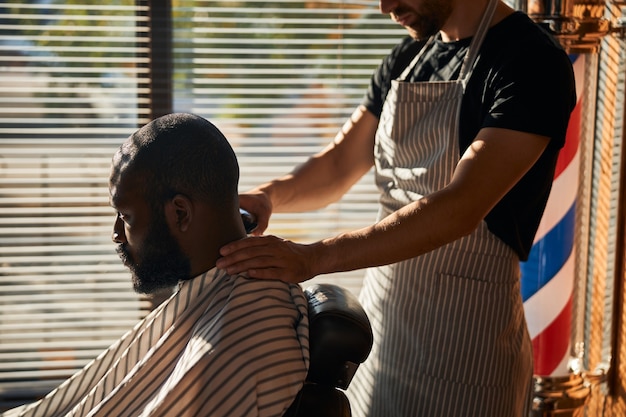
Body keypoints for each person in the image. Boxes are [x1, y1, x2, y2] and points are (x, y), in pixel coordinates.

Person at [215, 0, 577, 416]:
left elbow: (461, 207)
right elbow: (337, 165)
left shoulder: (531, 62)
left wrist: (314, 257)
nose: (385, 6)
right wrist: (270, 196)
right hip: (383, 335)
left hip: (468, 348)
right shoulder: (407, 59)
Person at [2, 113, 309, 417]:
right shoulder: (218, 292)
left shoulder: (239, 333)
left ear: (180, 214)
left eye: (126, 217)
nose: (116, 235)